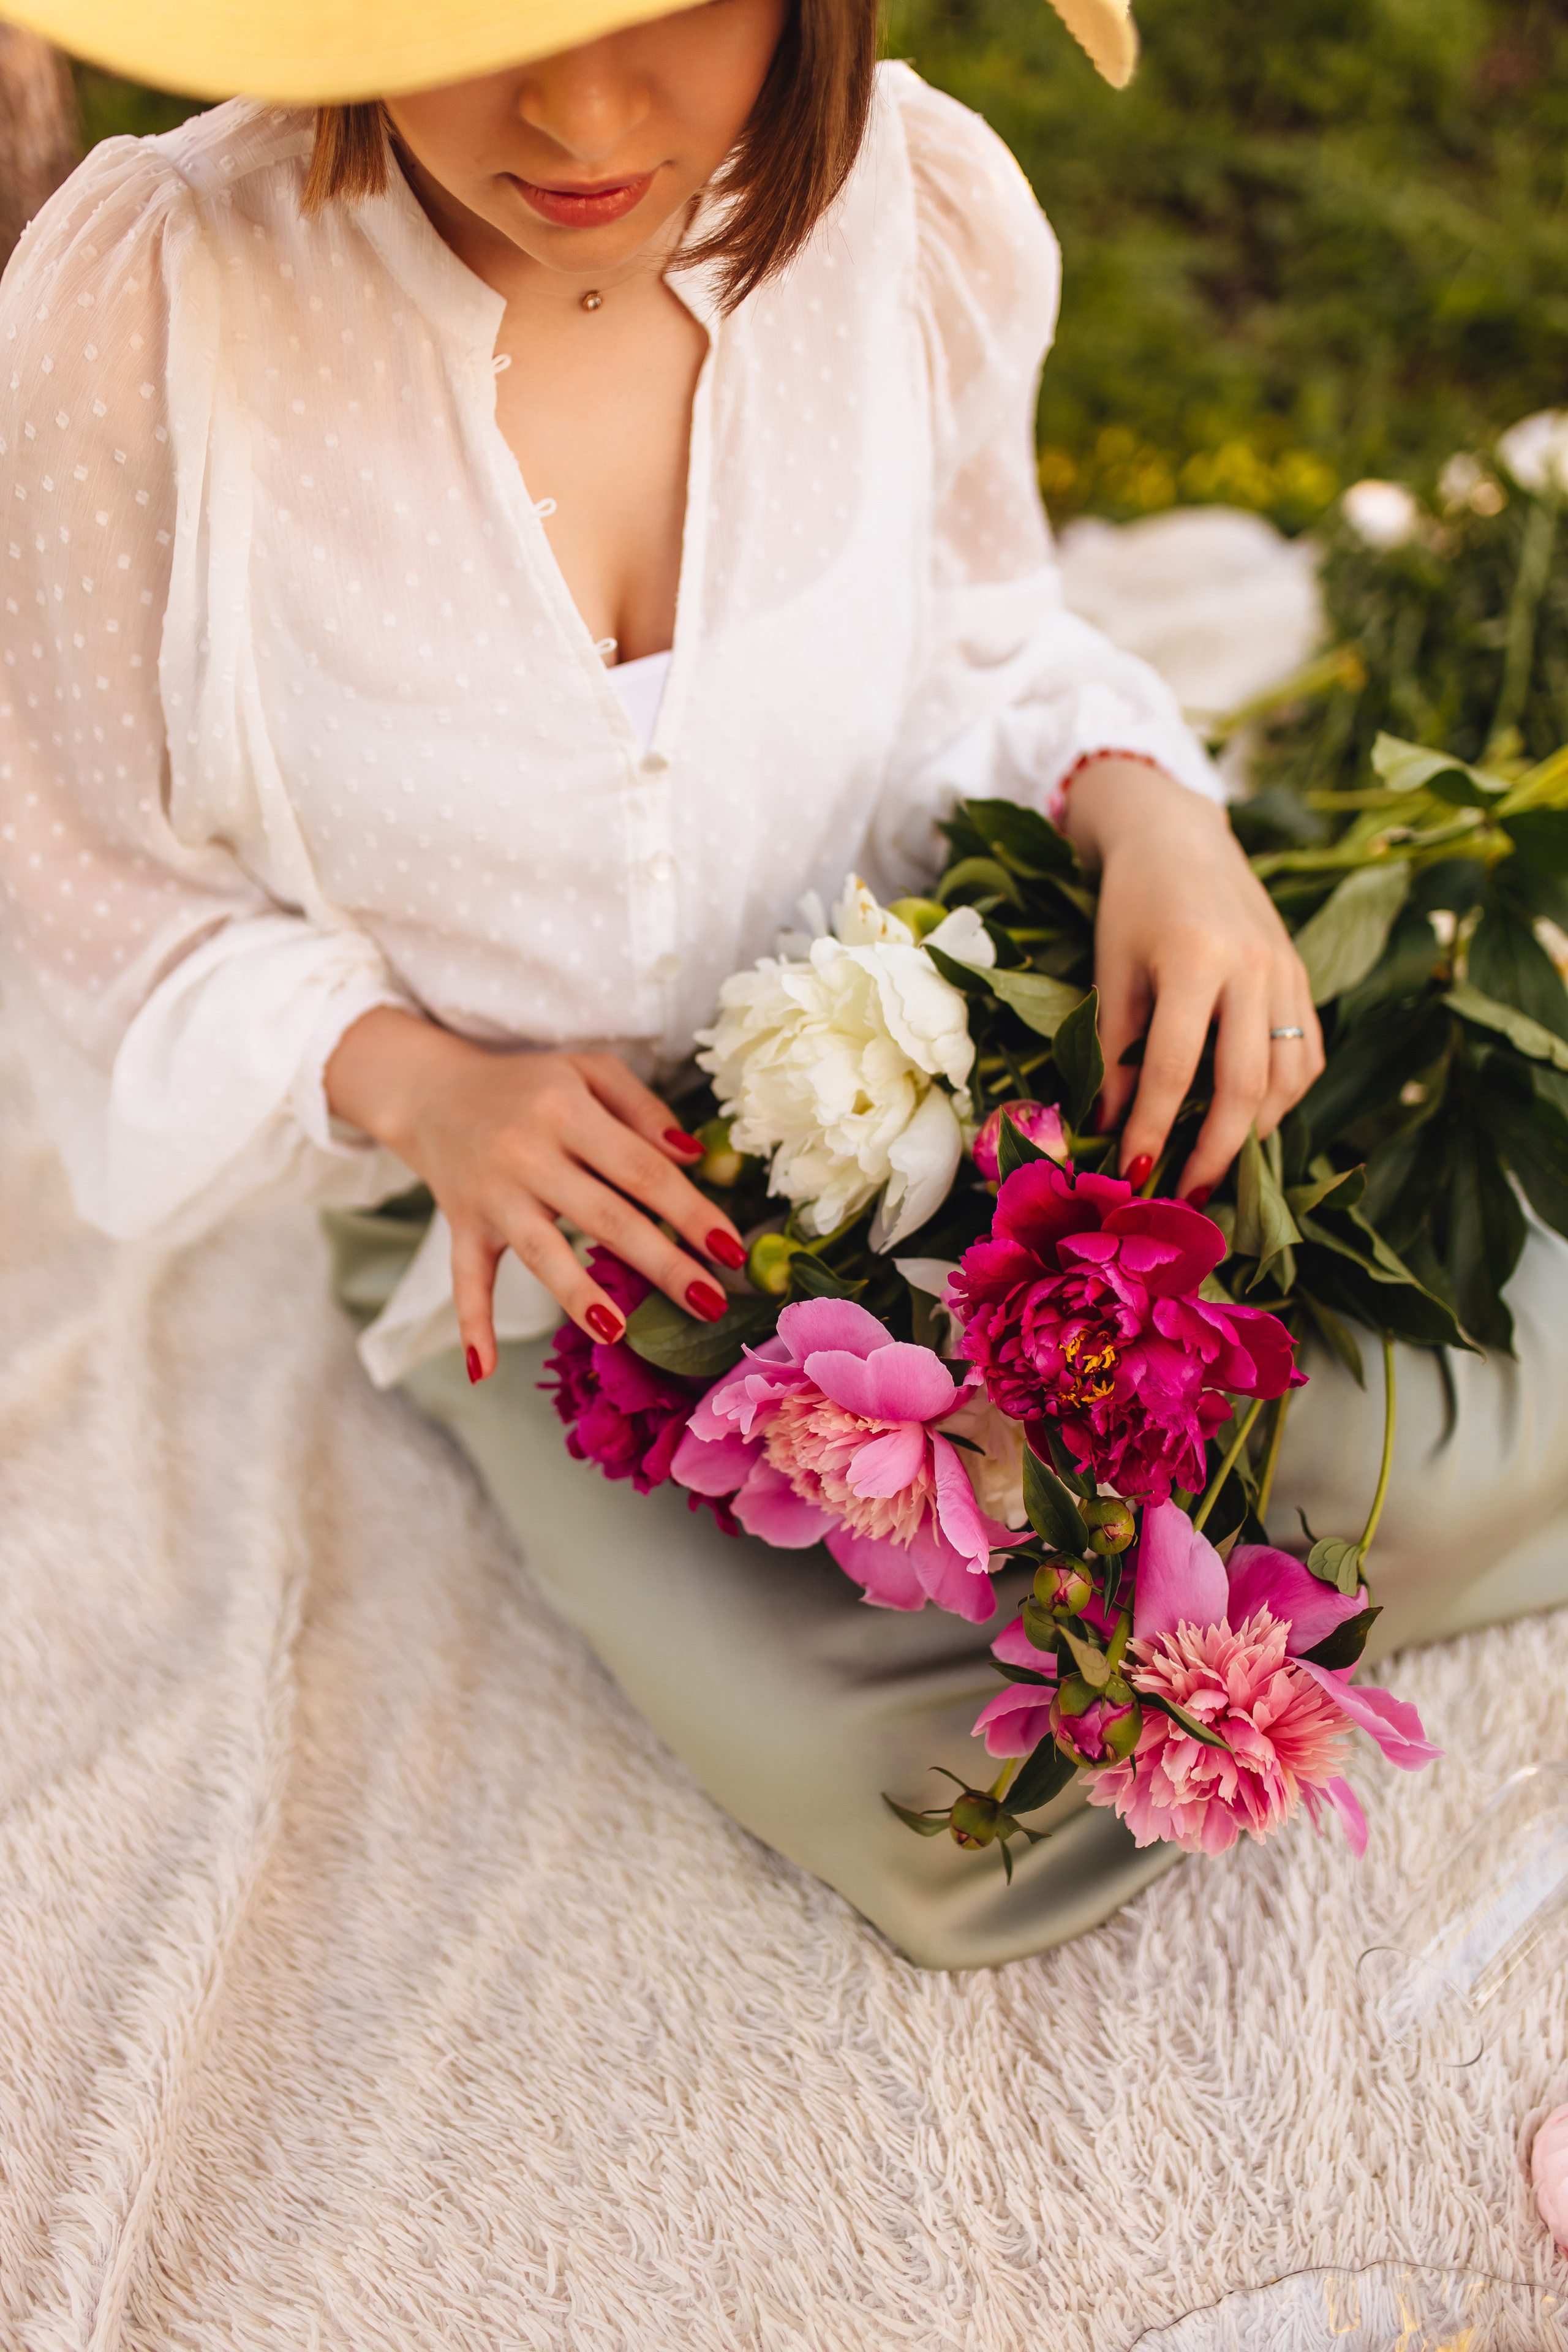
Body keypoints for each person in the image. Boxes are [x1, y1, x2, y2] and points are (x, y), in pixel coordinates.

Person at [4, 0, 1567, 1971]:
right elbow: (75, 875)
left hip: (927, 1044)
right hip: (543, 1231)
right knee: (933, 1821)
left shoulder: (908, 210)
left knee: (1397, 1414)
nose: (578, 106)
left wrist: (1146, 806)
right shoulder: (150, 311)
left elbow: (974, 634)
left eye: (672, 3)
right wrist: (414, 1081)